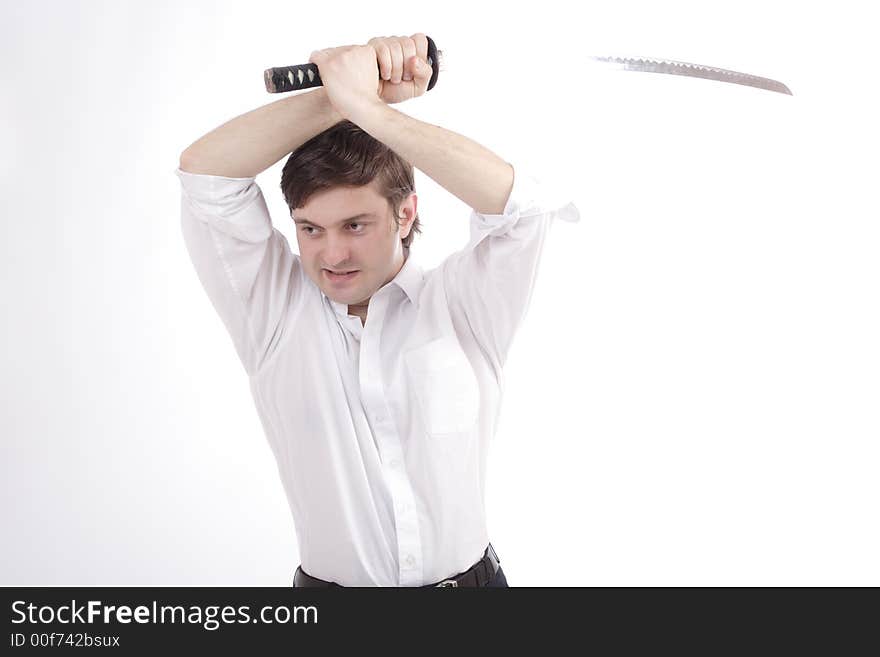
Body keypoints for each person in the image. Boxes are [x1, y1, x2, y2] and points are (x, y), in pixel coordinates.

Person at [175, 33, 580, 587]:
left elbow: (522, 210)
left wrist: (370, 108)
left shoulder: (463, 306)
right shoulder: (274, 316)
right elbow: (205, 175)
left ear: (406, 214)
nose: (331, 253)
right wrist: (339, 95)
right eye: (310, 229)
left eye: (355, 226)